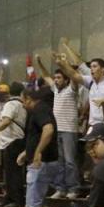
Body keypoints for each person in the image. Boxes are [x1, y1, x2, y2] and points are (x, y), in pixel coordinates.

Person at [13, 88, 64, 207]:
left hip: (41, 163)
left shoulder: (40, 109)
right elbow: (36, 136)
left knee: (33, 204)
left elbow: (48, 130)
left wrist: (37, 152)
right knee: (39, 199)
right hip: (42, 160)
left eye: (23, 101)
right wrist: (27, 152)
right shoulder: (41, 109)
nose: (23, 105)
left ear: (28, 99)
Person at [36, 55, 81, 199]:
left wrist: (65, 64)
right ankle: (61, 188)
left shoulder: (72, 89)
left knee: (69, 161)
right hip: (57, 131)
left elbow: (74, 77)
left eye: (59, 78)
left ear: (66, 79)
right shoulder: (55, 90)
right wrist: (39, 62)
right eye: (55, 78)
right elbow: (45, 76)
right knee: (60, 161)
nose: (56, 80)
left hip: (69, 130)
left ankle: (73, 188)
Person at [0, 82, 27, 207]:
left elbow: (6, 121)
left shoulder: (11, 104)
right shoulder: (21, 104)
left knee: (13, 173)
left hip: (12, 141)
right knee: (10, 172)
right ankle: (10, 197)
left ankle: (16, 199)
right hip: (15, 141)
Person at [56, 55, 104, 126]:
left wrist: (103, 101)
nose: (91, 69)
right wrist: (61, 64)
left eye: (94, 66)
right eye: (91, 67)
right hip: (93, 124)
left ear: (103, 69)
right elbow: (74, 75)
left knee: (85, 138)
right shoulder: (90, 81)